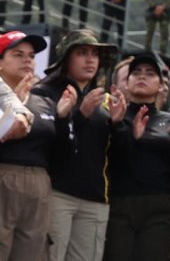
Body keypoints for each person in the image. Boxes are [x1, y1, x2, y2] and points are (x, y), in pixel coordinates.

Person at [33, 29, 122, 261]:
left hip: (95, 199)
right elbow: (46, 144)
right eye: (82, 52)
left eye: (95, 54)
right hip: (56, 193)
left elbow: (114, 157)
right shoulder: (44, 94)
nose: (91, 59)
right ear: (66, 59)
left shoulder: (104, 102)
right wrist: (79, 116)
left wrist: (119, 125)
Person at [105, 52, 170, 261]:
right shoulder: (114, 115)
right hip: (119, 202)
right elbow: (108, 158)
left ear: (161, 86)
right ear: (127, 81)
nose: (142, 76)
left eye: (150, 73)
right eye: (136, 73)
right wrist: (121, 130)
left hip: (159, 205)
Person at [0, 30, 58, 260]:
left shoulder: (44, 100)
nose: (27, 60)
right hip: (4, 174)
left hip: (38, 182)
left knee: (32, 253)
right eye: (18, 54)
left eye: (31, 55)